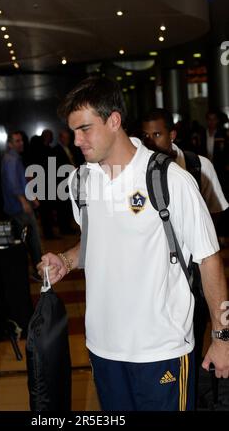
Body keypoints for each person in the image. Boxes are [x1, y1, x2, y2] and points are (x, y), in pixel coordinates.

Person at [37, 76, 229, 411]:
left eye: (85, 129)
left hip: (161, 349)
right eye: (73, 131)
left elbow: (208, 258)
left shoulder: (170, 179)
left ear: (113, 120)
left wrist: (221, 337)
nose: (76, 140)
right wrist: (66, 261)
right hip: (103, 348)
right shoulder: (80, 181)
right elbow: (94, 242)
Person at [141, 108, 229, 402]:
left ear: (172, 135)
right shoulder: (137, 170)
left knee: (193, 337)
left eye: (157, 134)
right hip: (158, 276)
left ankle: (191, 394)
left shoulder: (197, 165)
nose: (151, 141)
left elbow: (215, 214)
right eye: (146, 135)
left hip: (196, 275)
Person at [1, 131, 42, 275]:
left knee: (27, 240)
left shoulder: (13, 158)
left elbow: (21, 181)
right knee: (32, 240)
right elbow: (14, 184)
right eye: (17, 141)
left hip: (18, 206)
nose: (21, 143)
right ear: (10, 144)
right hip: (19, 207)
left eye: (21, 141)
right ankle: (39, 271)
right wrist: (24, 201)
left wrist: (32, 198)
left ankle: (34, 270)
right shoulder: (11, 160)